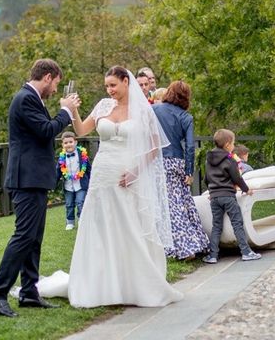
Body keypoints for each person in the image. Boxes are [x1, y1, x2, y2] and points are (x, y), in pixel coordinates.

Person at [66, 66, 183, 307]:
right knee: (101, 224)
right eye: (106, 86)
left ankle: (135, 283)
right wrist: (73, 111)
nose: (109, 90)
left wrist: (135, 172)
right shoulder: (103, 106)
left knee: (130, 224)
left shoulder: (143, 111)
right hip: (103, 172)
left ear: (125, 82)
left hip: (129, 172)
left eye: (113, 85)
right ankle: (102, 282)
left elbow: (153, 147)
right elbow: (81, 130)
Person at [0, 59, 79, 318]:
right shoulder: (25, 98)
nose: (55, 90)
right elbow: (46, 130)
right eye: (56, 84)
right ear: (48, 77)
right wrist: (66, 111)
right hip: (25, 179)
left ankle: (29, 292)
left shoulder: (33, 99)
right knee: (24, 235)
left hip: (34, 179)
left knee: (34, 238)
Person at [152, 81, 209, 260]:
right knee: (183, 201)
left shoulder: (155, 110)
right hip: (177, 161)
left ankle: (185, 248)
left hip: (158, 161)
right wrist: (188, 171)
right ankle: (198, 241)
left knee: (170, 206)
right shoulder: (186, 117)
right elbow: (190, 147)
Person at [202, 128, 261, 264]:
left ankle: (213, 255)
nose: (234, 146)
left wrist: (212, 191)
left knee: (216, 225)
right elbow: (237, 178)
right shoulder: (230, 160)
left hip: (214, 197)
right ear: (228, 144)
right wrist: (246, 190)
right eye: (233, 143)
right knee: (237, 223)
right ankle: (246, 252)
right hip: (228, 196)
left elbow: (206, 179)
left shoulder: (208, 160)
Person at [57, 131, 91, 231]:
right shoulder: (62, 157)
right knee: (69, 204)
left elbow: (88, 168)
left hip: (81, 184)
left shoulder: (82, 155)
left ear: (75, 142)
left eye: (70, 142)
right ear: (62, 145)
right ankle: (70, 222)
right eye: (66, 143)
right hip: (68, 185)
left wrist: (91, 179)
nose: (68, 144)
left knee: (80, 202)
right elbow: (58, 170)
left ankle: (81, 219)